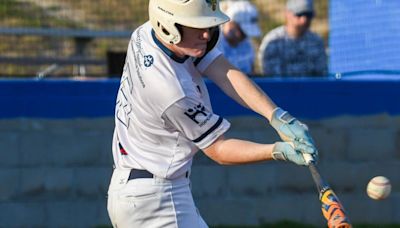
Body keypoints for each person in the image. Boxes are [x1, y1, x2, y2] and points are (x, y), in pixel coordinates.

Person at [107, 0, 318, 227]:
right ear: (169, 26)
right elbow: (218, 149)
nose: (207, 35)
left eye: (208, 26)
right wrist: (278, 150)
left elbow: (220, 68)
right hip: (156, 201)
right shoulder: (172, 93)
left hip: (142, 189)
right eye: (197, 26)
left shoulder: (147, 33)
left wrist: (276, 115)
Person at [258, 0, 328, 77]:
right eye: (299, 14)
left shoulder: (316, 42)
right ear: (287, 14)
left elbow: (321, 75)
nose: (304, 20)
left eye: (308, 15)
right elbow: (270, 76)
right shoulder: (273, 41)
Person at [218, 0, 261, 75]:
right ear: (230, 24)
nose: (244, 37)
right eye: (242, 31)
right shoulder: (213, 45)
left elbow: (252, 71)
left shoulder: (247, 45)